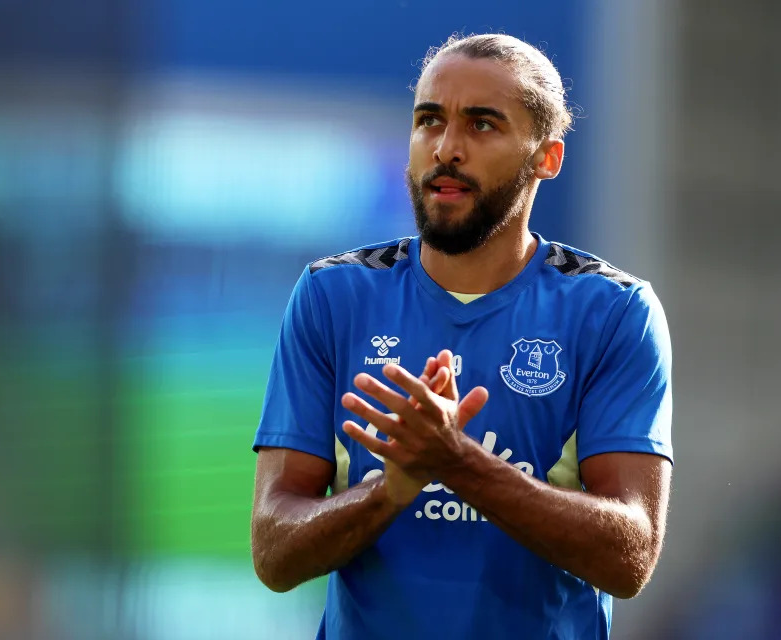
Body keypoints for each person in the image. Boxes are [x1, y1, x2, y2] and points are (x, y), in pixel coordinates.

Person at [251, 33, 673, 639]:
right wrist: (391, 490)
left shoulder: (613, 311)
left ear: (547, 158)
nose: (446, 149)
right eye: (429, 121)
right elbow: (274, 550)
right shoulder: (332, 295)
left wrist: (458, 461)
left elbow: (630, 556)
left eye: (482, 125)